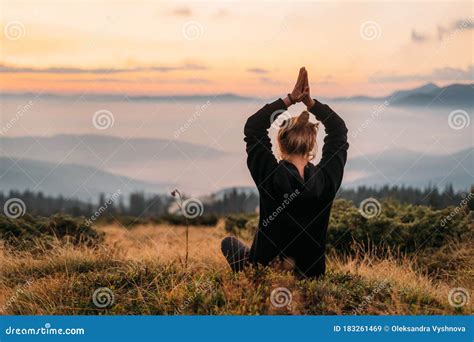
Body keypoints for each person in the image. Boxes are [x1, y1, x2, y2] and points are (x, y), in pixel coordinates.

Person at [221, 67, 349, 278]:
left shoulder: (271, 177)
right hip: (312, 275)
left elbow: (253, 127)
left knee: (229, 243)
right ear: (311, 146)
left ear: (281, 144)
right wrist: (311, 104)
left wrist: (290, 99)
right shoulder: (326, 181)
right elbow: (339, 132)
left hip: (264, 271)